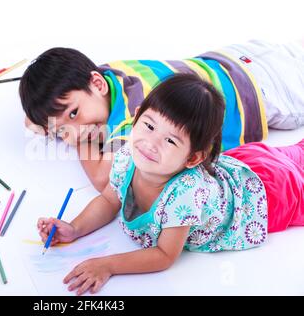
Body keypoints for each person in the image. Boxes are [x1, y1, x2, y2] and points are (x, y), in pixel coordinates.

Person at [36, 74, 304, 296]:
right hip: (248, 164)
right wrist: (74, 228)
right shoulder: (127, 156)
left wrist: (107, 265)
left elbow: (164, 254)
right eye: (149, 126)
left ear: (193, 158)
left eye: (171, 141)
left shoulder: (184, 194)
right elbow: (108, 200)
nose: (151, 144)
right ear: (137, 116)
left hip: (270, 196)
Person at [20, 39, 304, 192]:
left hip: (267, 94)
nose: (76, 128)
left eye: (74, 113)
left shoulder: (137, 119)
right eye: (60, 130)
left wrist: (79, 140)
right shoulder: (110, 74)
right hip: (236, 57)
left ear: (96, 83)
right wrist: (52, 119)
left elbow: (104, 180)